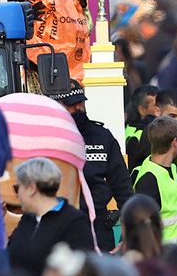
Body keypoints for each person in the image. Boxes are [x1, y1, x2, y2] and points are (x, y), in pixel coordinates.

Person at [53, 86, 132, 251]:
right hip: (60, 226)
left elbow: (122, 186)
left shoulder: (102, 137)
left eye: (81, 102)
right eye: (71, 104)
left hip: (97, 225)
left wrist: (128, 233)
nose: (78, 108)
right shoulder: (48, 138)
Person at [5, 157, 96, 276]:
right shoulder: (28, 219)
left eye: (17, 188)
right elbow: (10, 254)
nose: (17, 195)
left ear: (31, 188)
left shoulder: (74, 221)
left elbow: (81, 272)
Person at [131, 116, 177, 246]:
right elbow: (142, 228)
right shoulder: (149, 179)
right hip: (165, 258)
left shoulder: (172, 169)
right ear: (175, 142)